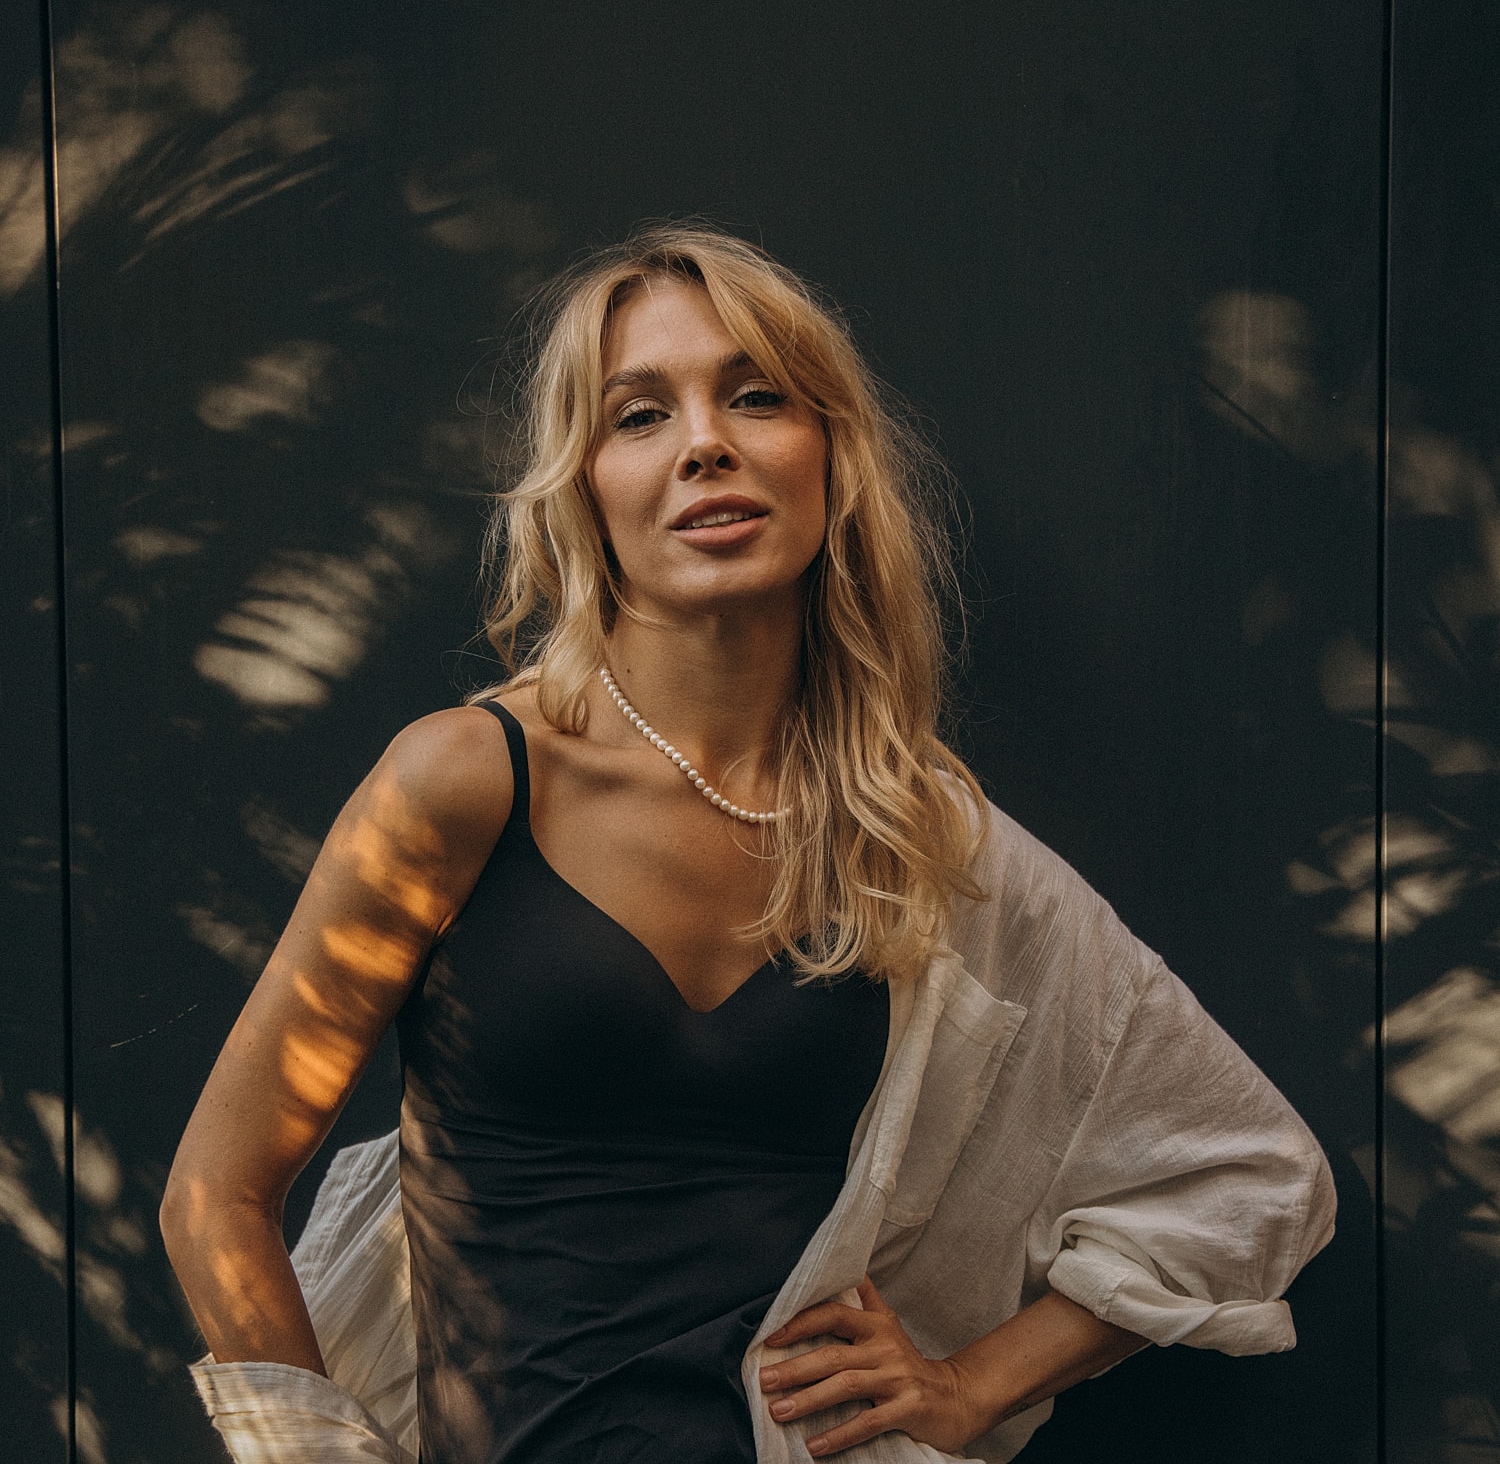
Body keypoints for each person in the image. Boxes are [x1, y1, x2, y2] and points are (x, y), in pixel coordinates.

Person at [161, 223, 1337, 1464]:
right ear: (585, 491)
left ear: (828, 457)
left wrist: (970, 1384)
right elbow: (217, 1197)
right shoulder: (464, 781)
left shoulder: (914, 834)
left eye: (756, 396)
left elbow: (1250, 1172)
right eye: (638, 415)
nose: (705, 442)